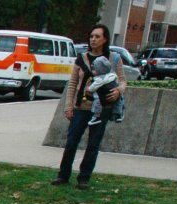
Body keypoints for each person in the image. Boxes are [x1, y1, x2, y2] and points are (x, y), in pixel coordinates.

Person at [53, 24, 126, 189]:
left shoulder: (114, 58)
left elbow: (122, 80)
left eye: (97, 37)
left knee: (93, 144)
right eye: (92, 36)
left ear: (105, 39)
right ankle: (63, 175)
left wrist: (118, 91)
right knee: (71, 142)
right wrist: (68, 106)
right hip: (81, 107)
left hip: (102, 109)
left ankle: (84, 178)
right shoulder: (82, 58)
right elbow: (72, 84)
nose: (93, 39)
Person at [87, 55, 125, 125]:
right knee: (120, 99)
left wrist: (88, 89)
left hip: (104, 98)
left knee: (97, 100)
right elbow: (118, 80)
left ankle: (96, 116)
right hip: (114, 96)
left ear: (99, 70)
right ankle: (118, 113)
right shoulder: (112, 74)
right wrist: (118, 91)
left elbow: (92, 88)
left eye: (94, 69)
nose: (93, 71)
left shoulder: (100, 79)